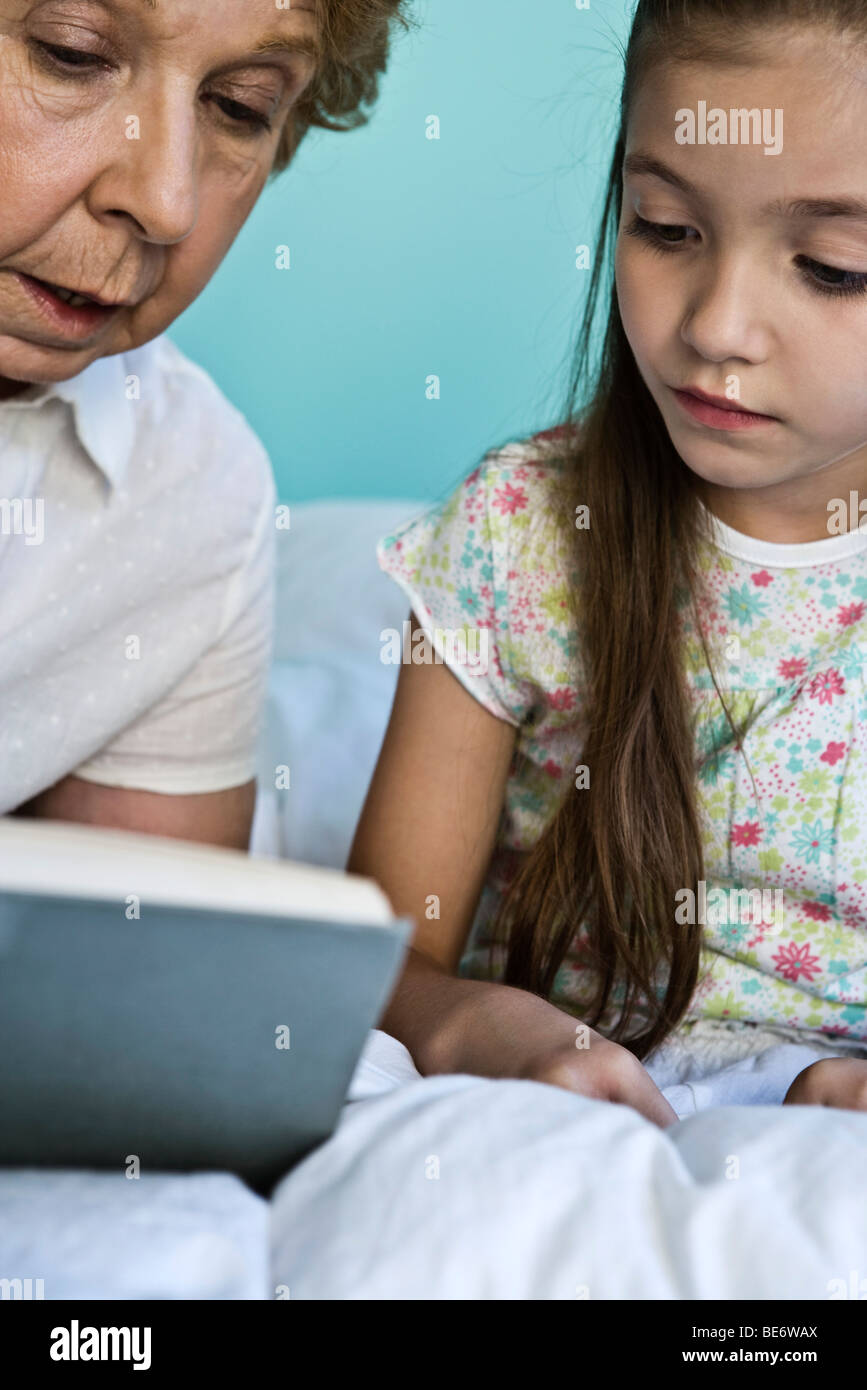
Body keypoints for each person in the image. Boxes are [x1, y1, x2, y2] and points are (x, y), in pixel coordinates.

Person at [350, 0, 867, 1123]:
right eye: (666, 226)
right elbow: (382, 958)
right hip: (572, 1100)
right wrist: (476, 1019)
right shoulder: (516, 534)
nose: (718, 325)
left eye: (833, 268)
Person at [0, 0, 411, 848]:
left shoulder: (190, 486)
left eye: (239, 107)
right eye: (69, 54)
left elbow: (129, 962)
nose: (165, 202)